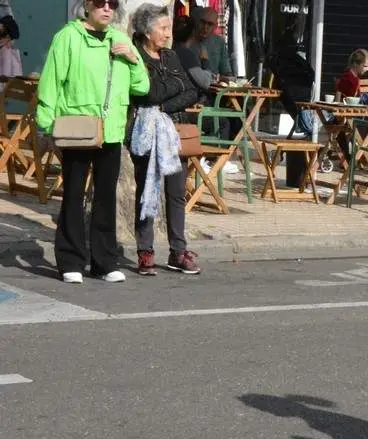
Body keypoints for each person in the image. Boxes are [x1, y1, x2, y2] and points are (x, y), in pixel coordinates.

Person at [36, 0, 150, 284]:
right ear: (87, 5)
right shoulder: (67, 37)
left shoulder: (121, 40)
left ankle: (104, 261)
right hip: (77, 127)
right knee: (74, 194)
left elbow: (142, 87)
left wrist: (134, 60)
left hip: (110, 131)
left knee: (105, 197)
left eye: (113, 3)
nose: (107, 8)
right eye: (100, 2)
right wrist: (46, 124)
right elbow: (51, 82)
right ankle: (70, 260)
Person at [128, 3, 200, 276]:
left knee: (176, 193)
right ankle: (145, 251)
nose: (168, 34)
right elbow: (148, 93)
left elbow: (192, 90)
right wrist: (173, 89)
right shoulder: (135, 57)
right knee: (147, 191)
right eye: (163, 28)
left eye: (169, 28)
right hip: (145, 133)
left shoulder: (170, 57)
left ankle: (178, 251)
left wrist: (164, 104)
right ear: (147, 32)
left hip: (173, 131)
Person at [191, 6, 230, 79]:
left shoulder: (219, 42)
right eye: (203, 22)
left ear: (215, 26)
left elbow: (226, 71)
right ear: (197, 21)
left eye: (210, 24)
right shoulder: (188, 40)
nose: (205, 27)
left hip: (213, 87)